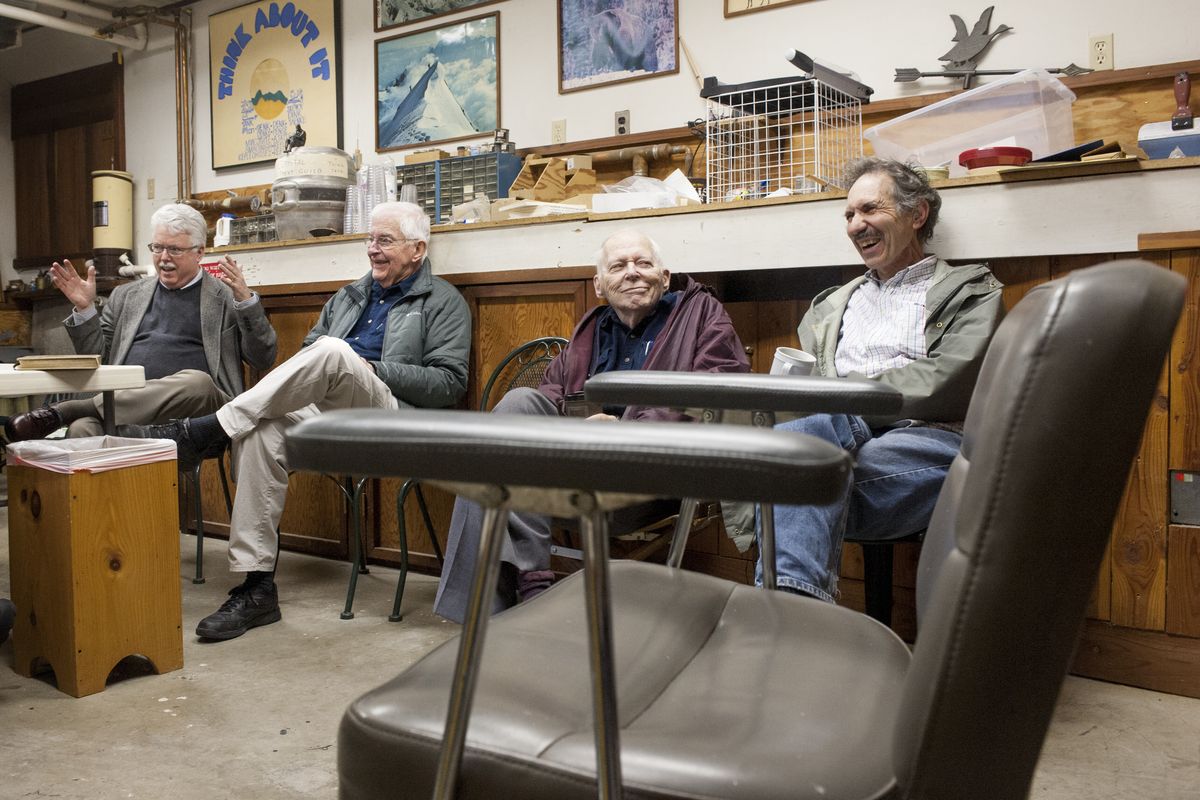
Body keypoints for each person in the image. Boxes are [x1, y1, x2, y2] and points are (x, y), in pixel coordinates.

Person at [122, 201, 471, 641]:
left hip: (396, 420)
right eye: (369, 239)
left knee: (333, 351)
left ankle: (208, 428)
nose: (372, 249)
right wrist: (340, 362)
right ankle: (257, 588)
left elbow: (448, 383)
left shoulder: (443, 302)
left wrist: (371, 369)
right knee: (259, 430)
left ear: (418, 249)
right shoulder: (349, 296)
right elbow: (309, 358)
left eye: (384, 240)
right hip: (333, 415)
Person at [434, 228, 750, 622]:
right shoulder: (592, 328)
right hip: (576, 465)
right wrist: (579, 428)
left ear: (664, 277)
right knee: (513, 412)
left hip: (654, 473)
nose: (632, 273)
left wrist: (624, 429)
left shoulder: (700, 314)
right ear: (600, 285)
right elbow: (549, 397)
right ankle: (533, 583)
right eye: (618, 266)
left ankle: (511, 600)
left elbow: (718, 392)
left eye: (643, 263)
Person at [761, 157, 1004, 602]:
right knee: (800, 454)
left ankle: (782, 613)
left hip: (926, 437)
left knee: (785, 480)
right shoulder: (831, 305)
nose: (856, 225)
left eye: (870, 210)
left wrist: (848, 399)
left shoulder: (971, 290)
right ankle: (794, 613)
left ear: (917, 215)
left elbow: (952, 377)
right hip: (834, 442)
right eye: (850, 215)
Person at [3, 203, 277, 441]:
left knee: (198, 382)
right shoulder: (126, 296)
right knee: (83, 430)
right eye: (157, 248)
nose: (164, 258)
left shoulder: (226, 295)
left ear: (199, 252)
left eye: (174, 250)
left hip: (199, 415)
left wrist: (246, 302)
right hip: (129, 410)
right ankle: (105, 486)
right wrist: (85, 308)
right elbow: (99, 358)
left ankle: (65, 411)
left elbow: (263, 358)